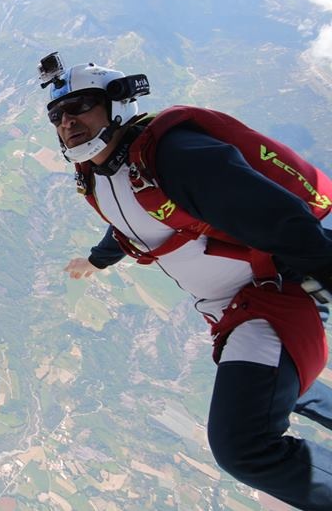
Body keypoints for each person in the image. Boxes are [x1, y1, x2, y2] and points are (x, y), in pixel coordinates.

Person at [42, 54, 332, 510]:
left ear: (116, 103)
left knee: (244, 447)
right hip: (238, 307)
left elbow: (278, 217)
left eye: (79, 106)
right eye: (57, 115)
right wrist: (97, 262)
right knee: (267, 385)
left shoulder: (175, 156)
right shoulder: (101, 174)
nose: (67, 122)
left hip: (273, 299)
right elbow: (133, 224)